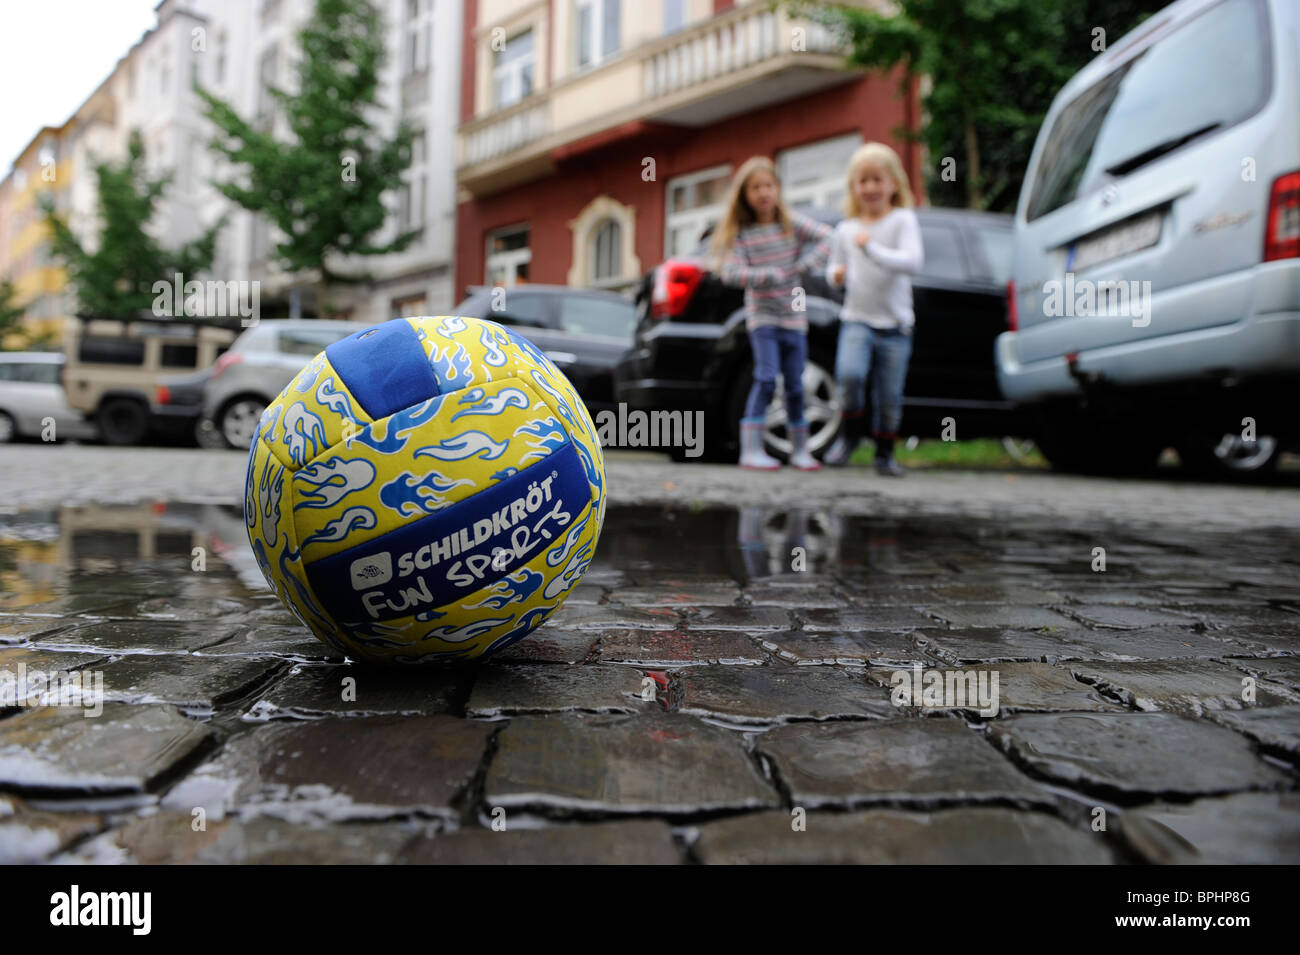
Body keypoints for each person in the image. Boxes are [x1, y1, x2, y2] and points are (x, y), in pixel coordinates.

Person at [712, 156, 831, 471]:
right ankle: (750, 449)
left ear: (777, 189)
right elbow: (731, 273)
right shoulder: (743, 233)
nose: (763, 193)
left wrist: (805, 267)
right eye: (756, 187)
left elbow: (828, 238)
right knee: (765, 378)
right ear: (745, 195)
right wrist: (766, 275)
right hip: (762, 315)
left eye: (768, 185)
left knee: (796, 382)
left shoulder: (791, 223)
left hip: (794, 310)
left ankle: (801, 450)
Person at [825, 142, 924, 476]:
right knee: (850, 377)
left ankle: (884, 453)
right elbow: (835, 268)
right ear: (853, 187)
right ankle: (850, 437)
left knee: (889, 395)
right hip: (857, 321)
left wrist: (873, 250)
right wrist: (835, 277)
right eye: (862, 181)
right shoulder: (847, 229)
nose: (870, 187)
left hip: (896, 327)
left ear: (893, 183)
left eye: (877, 179)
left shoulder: (902, 220)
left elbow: (912, 261)